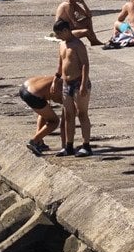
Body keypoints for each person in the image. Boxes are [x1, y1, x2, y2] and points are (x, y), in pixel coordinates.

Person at [52, 20, 92, 157]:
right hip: (66, 83)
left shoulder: (78, 44)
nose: (57, 37)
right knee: (68, 115)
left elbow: (85, 65)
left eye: (59, 34)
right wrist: (55, 80)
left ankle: (86, 145)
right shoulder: (62, 44)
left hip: (78, 82)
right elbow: (60, 63)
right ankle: (69, 146)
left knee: (82, 113)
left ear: (66, 31)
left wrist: (83, 84)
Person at [18, 75, 62, 155]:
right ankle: (34, 141)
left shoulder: (60, 77)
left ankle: (39, 142)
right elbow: (56, 98)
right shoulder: (66, 85)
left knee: (45, 111)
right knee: (54, 121)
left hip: (25, 86)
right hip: (33, 95)